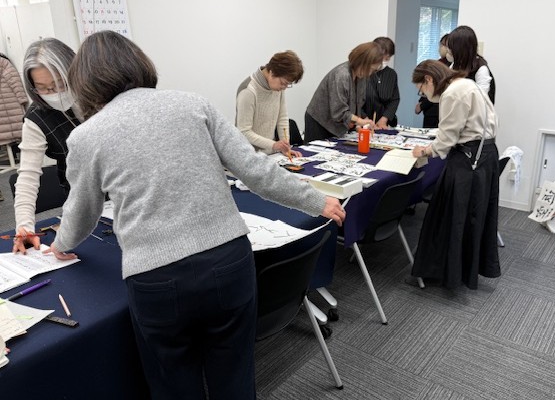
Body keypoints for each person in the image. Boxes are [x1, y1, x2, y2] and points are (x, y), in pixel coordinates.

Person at [45, 30, 345, 399]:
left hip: (157, 278)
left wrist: (61, 244)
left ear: (84, 83)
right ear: (140, 64)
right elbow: (255, 170)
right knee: (234, 376)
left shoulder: (86, 136)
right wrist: (315, 201)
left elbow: (82, 210)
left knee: (173, 383)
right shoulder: (194, 104)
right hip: (228, 262)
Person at [410, 60, 500, 289]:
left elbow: (447, 138)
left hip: (468, 158)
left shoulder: (452, 92)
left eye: (421, 89)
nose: (423, 94)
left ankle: (445, 274)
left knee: (452, 216)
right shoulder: (468, 84)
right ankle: (460, 272)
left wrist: (424, 151)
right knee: (470, 217)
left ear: (429, 79)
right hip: (484, 154)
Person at [12, 38, 80, 254]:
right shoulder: (37, 117)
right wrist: (24, 227)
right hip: (80, 199)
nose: (54, 93)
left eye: (59, 84)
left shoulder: (99, 95)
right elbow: (28, 176)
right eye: (43, 88)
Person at [304, 42, 380, 142]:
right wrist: (360, 121)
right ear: (361, 62)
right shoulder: (342, 75)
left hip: (336, 124)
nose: (369, 73)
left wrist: (359, 125)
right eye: (370, 69)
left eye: (373, 71)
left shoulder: (361, 77)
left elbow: (357, 104)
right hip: (320, 122)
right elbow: (339, 112)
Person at [236, 50, 303, 157]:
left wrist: (285, 147)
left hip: (270, 154)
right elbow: (244, 131)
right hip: (248, 155)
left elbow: (282, 118)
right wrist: (274, 145)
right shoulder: (248, 90)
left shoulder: (277, 88)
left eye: (288, 84)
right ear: (272, 72)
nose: (284, 88)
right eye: (283, 83)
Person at [446, 25, 496, 104]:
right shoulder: (455, 64)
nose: (448, 51)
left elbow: (481, 101)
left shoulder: (481, 69)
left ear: (461, 49)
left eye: (451, 48)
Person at [362, 37, 400, 129]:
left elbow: (395, 99)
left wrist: (384, 119)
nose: (383, 62)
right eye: (382, 58)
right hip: (360, 122)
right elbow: (354, 101)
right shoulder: (362, 72)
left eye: (387, 58)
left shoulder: (391, 74)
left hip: (381, 124)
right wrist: (364, 120)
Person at [415, 34, 451, 128]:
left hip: (439, 111)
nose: (441, 48)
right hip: (429, 112)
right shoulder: (437, 63)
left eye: (443, 45)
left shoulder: (448, 68)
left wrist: (422, 105)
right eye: (440, 45)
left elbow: (438, 91)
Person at [0, 52, 28, 161]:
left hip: (6, 105)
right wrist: (22, 99)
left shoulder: (2, 63)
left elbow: (13, 80)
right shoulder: (3, 62)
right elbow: (14, 80)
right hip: (8, 105)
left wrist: (22, 98)